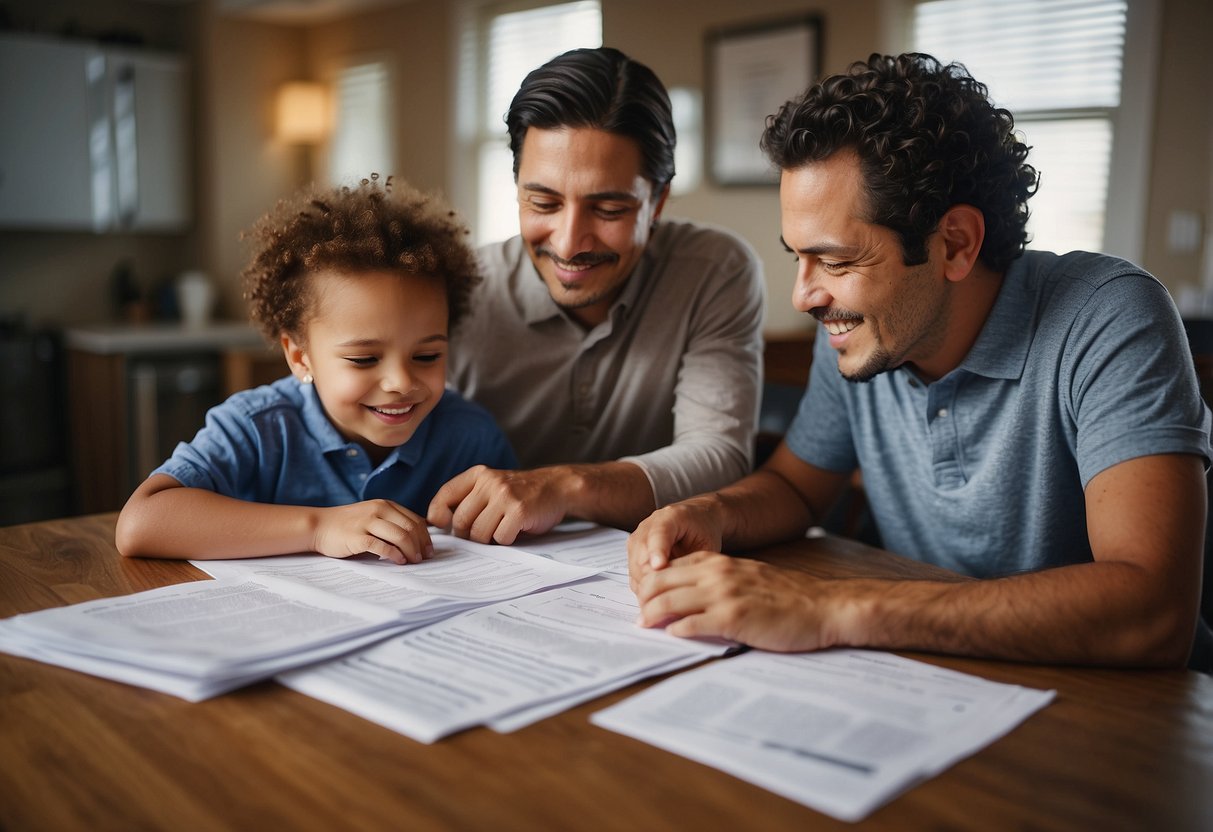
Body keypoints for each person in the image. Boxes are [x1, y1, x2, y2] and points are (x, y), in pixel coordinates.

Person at [628, 53, 1212, 669]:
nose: (804, 295)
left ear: (954, 244)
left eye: (837, 261)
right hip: (938, 680)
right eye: (798, 257)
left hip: (1132, 714)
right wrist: (708, 512)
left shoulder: (1109, 315)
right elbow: (796, 490)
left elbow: (1154, 610)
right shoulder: (862, 333)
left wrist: (833, 610)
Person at [427, 47, 765, 546]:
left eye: (608, 209)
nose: (568, 243)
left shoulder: (715, 271)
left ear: (658, 202)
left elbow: (720, 455)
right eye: (543, 202)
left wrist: (564, 486)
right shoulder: (457, 287)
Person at [115, 176, 516, 565]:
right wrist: (319, 527)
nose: (401, 383)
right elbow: (140, 522)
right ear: (300, 357)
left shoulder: (470, 436)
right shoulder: (259, 428)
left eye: (427, 356)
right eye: (363, 359)